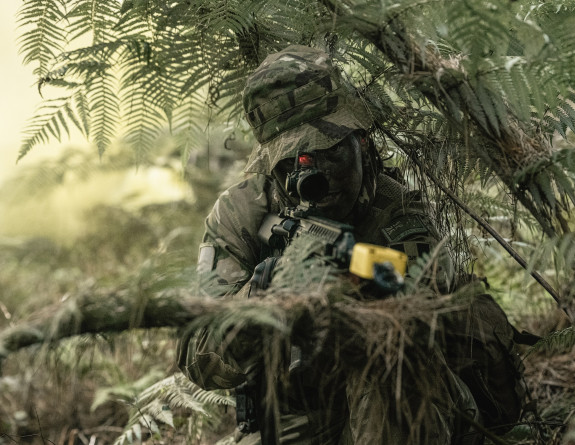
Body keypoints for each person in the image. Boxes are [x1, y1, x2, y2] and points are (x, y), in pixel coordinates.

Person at [177, 45, 524, 444]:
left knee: (392, 370)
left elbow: (430, 299)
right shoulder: (243, 213)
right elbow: (196, 355)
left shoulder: (394, 203)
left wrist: (354, 270)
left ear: (360, 140)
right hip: (298, 413)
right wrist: (262, 299)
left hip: (402, 404)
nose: (313, 174)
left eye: (328, 150)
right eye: (292, 162)